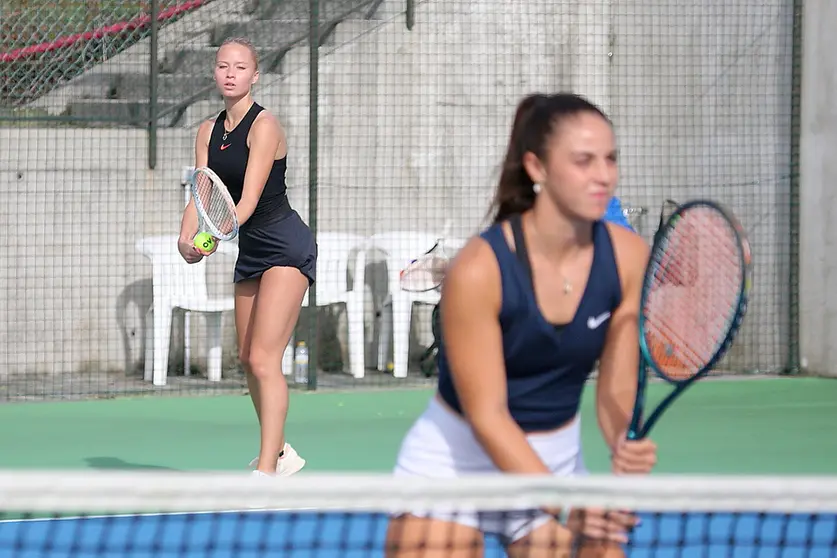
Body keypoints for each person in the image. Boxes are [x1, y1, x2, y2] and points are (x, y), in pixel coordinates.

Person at [385, 93, 658, 557]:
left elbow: (616, 383)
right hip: (455, 465)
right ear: (537, 168)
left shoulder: (628, 257)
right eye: (583, 161)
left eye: (610, 159)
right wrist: (569, 508)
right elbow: (488, 415)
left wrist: (620, 440)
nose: (603, 175)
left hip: (557, 461)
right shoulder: (480, 268)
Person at [177, 37, 315, 478]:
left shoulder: (265, 125)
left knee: (263, 358)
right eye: (223, 66)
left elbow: (248, 200)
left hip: (286, 246)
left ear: (255, 75)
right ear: (215, 74)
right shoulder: (206, 131)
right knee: (246, 359)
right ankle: (280, 451)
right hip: (251, 249)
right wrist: (187, 240)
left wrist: (215, 234)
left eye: (240, 67)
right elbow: (202, 193)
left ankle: (267, 473)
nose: (230, 73)